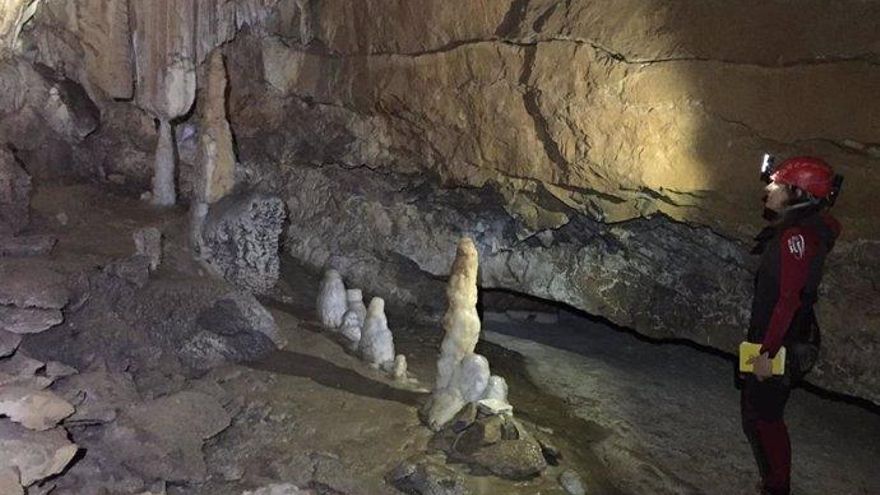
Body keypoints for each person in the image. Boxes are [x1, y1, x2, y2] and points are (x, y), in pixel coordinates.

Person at [740, 156, 841, 495]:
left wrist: (767, 353)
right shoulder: (806, 228)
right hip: (780, 332)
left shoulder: (796, 237)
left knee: (764, 417)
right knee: (758, 412)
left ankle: (777, 487)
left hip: (782, 339)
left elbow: (788, 300)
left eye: (777, 184)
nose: (768, 189)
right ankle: (773, 482)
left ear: (797, 194)